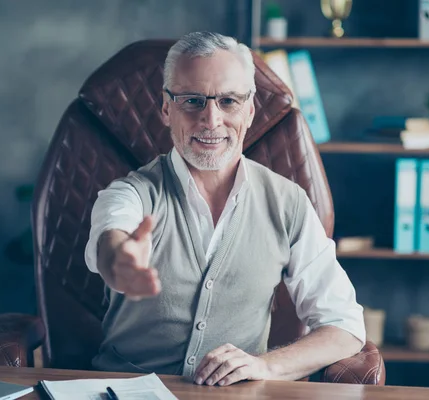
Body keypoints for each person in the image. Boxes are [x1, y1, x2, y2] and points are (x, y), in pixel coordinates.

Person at [84, 31, 365, 387]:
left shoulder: (289, 204)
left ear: (249, 109)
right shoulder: (131, 194)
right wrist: (119, 261)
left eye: (228, 101)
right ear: (166, 108)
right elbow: (112, 237)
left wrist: (266, 366)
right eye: (192, 101)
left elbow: (344, 326)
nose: (211, 119)